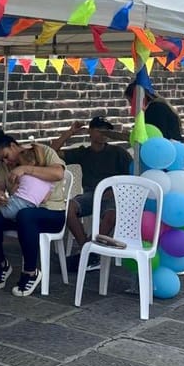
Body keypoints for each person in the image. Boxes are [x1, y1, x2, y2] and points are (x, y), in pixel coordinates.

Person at [0, 131, 66, 297]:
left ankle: (30, 272)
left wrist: (25, 169)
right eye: (2, 160)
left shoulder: (43, 151)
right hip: (17, 210)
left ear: (13, 146)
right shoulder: (5, 166)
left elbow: (58, 173)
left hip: (51, 212)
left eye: (6, 156)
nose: (6, 161)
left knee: (26, 215)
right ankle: (1, 263)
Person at [50, 116, 133, 270]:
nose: (102, 133)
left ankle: (90, 253)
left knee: (111, 216)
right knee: (68, 209)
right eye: (99, 129)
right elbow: (52, 152)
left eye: (106, 130)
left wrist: (115, 192)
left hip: (112, 195)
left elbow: (132, 177)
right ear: (90, 132)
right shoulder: (83, 152)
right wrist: (70, 132)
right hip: (91, 194)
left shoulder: (118, 153)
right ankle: (88, 251)